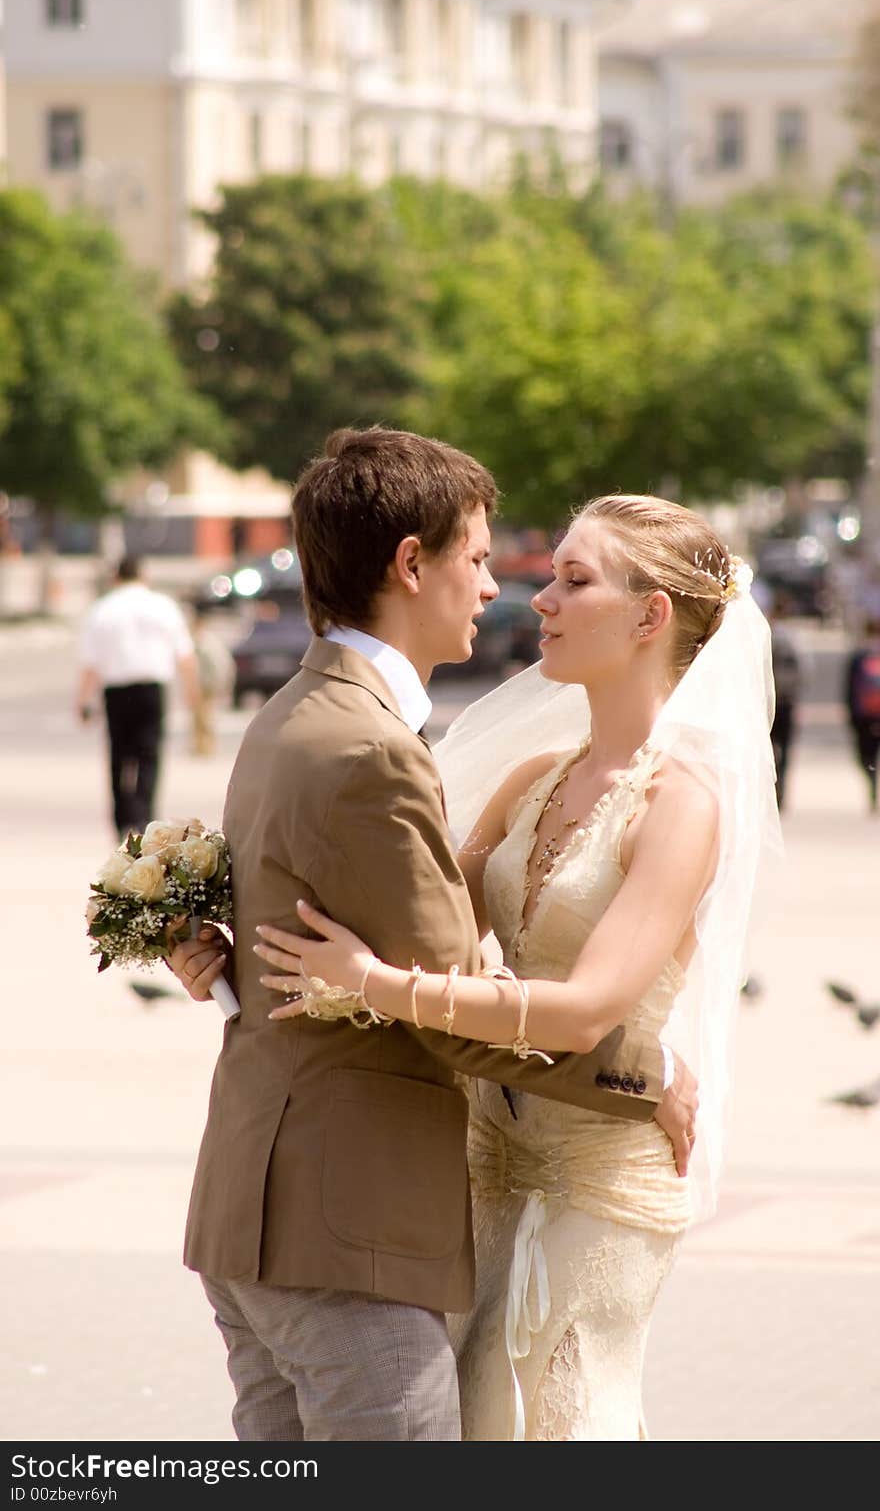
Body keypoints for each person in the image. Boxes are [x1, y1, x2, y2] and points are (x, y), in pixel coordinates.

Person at [167, 430, 697, 1444]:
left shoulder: (293, 713)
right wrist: (646, 1075)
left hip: (265, 1208)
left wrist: (220, 953)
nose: (501, 586)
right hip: (344, 1232)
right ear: (413, 564)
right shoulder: (368, 747)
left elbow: (348, 932)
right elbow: (441, 1002)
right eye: (479, 557)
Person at [252, 493, 780, 1441]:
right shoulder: (530, 781)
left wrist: (373, 983)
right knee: (469, 1405)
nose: (537, 597)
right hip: (483, 1160)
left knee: (551, 1409)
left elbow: (583, 1012)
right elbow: (395, 911)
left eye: (574, 580)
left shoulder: (682, 806)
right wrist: (206, 923)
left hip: (600, 1175)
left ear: (651, 615)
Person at [76, 556, 201, 838]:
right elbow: (185, 655)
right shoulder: (162, 606)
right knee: (149, 754)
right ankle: (144, 815)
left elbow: (90, 663)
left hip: (116, 691)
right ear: (143, 575)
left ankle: (122, 820)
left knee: (119, 755)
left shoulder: (102, 609)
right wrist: (192, 692)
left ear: (116, 577)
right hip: (151, 689)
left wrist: (82, 701)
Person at [767, 592, 806, 811]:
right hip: (788, 700)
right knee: (787, 748)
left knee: (770, 747)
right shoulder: (793, 639)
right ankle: (782, 789)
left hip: (768, 701)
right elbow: (804, 670)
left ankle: (772, 788)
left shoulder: (766, 635)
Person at [843, 613, 880, 812]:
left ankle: (872, 781)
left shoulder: (859, 656)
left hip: (863, 715)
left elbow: (849, 688)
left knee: (865, 755)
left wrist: (850, 713)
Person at [188, 607, 234, 757]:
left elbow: (215, 665)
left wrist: (216, 683)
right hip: (205, 683)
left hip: (206, 684)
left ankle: (206, 748)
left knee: (204, 717)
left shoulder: (204, 642)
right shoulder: (206, 640)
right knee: (200, 716)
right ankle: (200, 746)